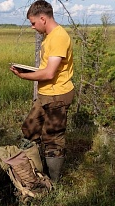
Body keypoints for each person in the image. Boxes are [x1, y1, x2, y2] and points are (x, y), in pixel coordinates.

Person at [9, 0, 75, 182]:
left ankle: (53, 182)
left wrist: (23, 76)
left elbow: (49, 72)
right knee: (30, 128)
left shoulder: (59, 37)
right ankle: (37, 168)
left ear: (43, 18)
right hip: (46, 94)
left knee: (53, 138)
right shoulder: (49, 37)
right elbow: (47, 69)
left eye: (33, 23)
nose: (32, 27)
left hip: (58, 95)